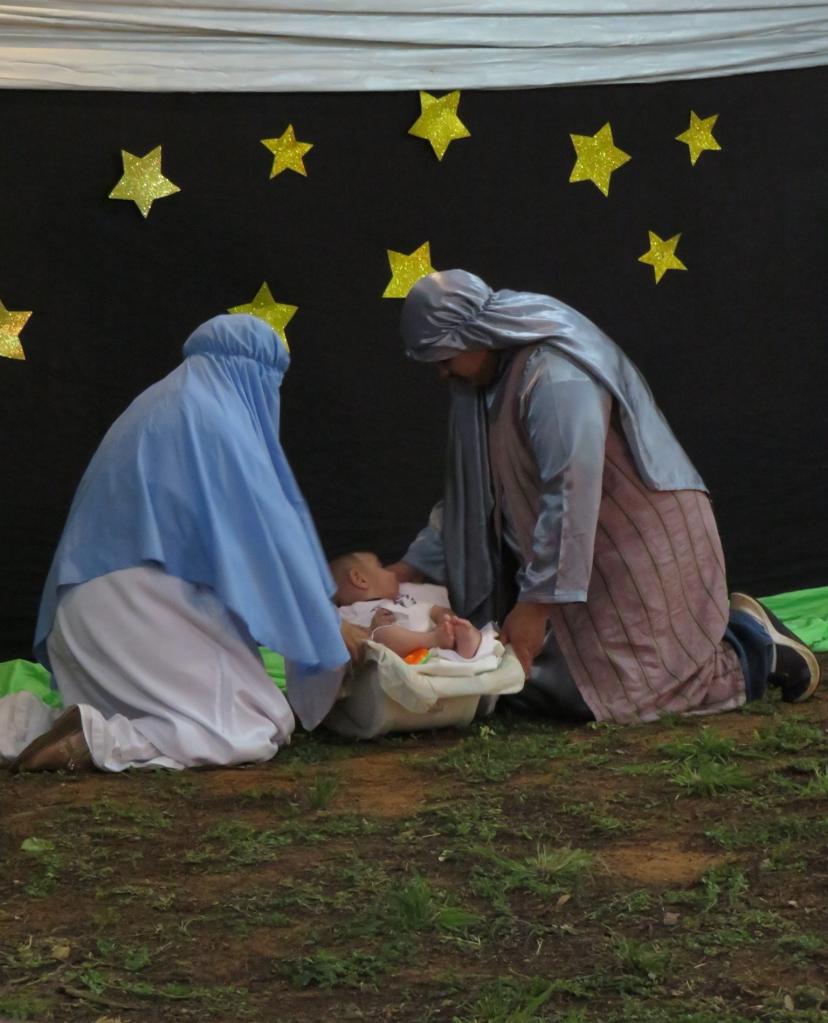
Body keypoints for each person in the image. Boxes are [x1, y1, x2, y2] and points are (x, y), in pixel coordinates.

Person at [389, 269, 820, 724]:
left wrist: (535, 606)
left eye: (444, 357)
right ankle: (731, 635)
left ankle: (755, 648)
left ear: (476, 333)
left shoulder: (555, 374)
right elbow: (477, 498)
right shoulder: (487, 384)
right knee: (534, 684)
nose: (441, 373)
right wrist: (407, 568)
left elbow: (569, 491)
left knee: (618, 698)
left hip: (639, 539)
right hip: (582, 551)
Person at [0, 314, 364, 772]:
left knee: (227, 708)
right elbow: (270, 549)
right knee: (251, 726)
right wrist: (326, 624)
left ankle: (26, 725)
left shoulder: (161, 404)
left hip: (82, 618)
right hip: (136, 604)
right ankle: (99, 740)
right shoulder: (214, 422)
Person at [330, 551, 487, 660]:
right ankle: (435, 640)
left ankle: (469, 648)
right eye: (380, 566)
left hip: (437, 644)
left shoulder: (405, 600)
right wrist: (371, 630)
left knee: (460, 624)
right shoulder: (346, 613)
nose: (391, 572)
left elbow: (433, 609)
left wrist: (446, 619)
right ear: (360, 579)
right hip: (399, 654)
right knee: (382, 635)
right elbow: (353, 640)